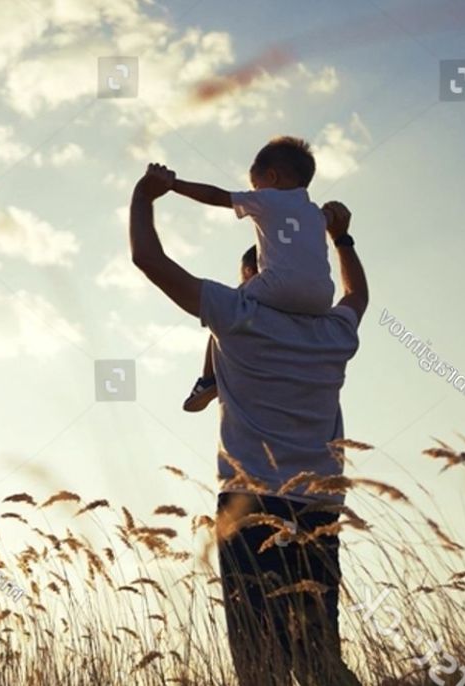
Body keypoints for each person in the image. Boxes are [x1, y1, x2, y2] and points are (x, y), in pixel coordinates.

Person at [129, 162, 367, 686]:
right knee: (321, 657)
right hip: (319, 510)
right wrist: (342, 238)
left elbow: (147, 258)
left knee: (260, 664)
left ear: (261, 269)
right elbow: (357, 298)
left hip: (250, 501)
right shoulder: (335, 334)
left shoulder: (236, 315)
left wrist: (146, 197)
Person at [150, 136, 334, 412]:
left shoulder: (269, 198)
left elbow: (216, 196)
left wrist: (174, 185)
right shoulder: (316, 214)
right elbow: (327, 226)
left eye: (256, 186)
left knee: (224, 309)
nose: (255, 192)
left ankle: (208, 379)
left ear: (271, 177)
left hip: (280, 286)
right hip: (323, 298)